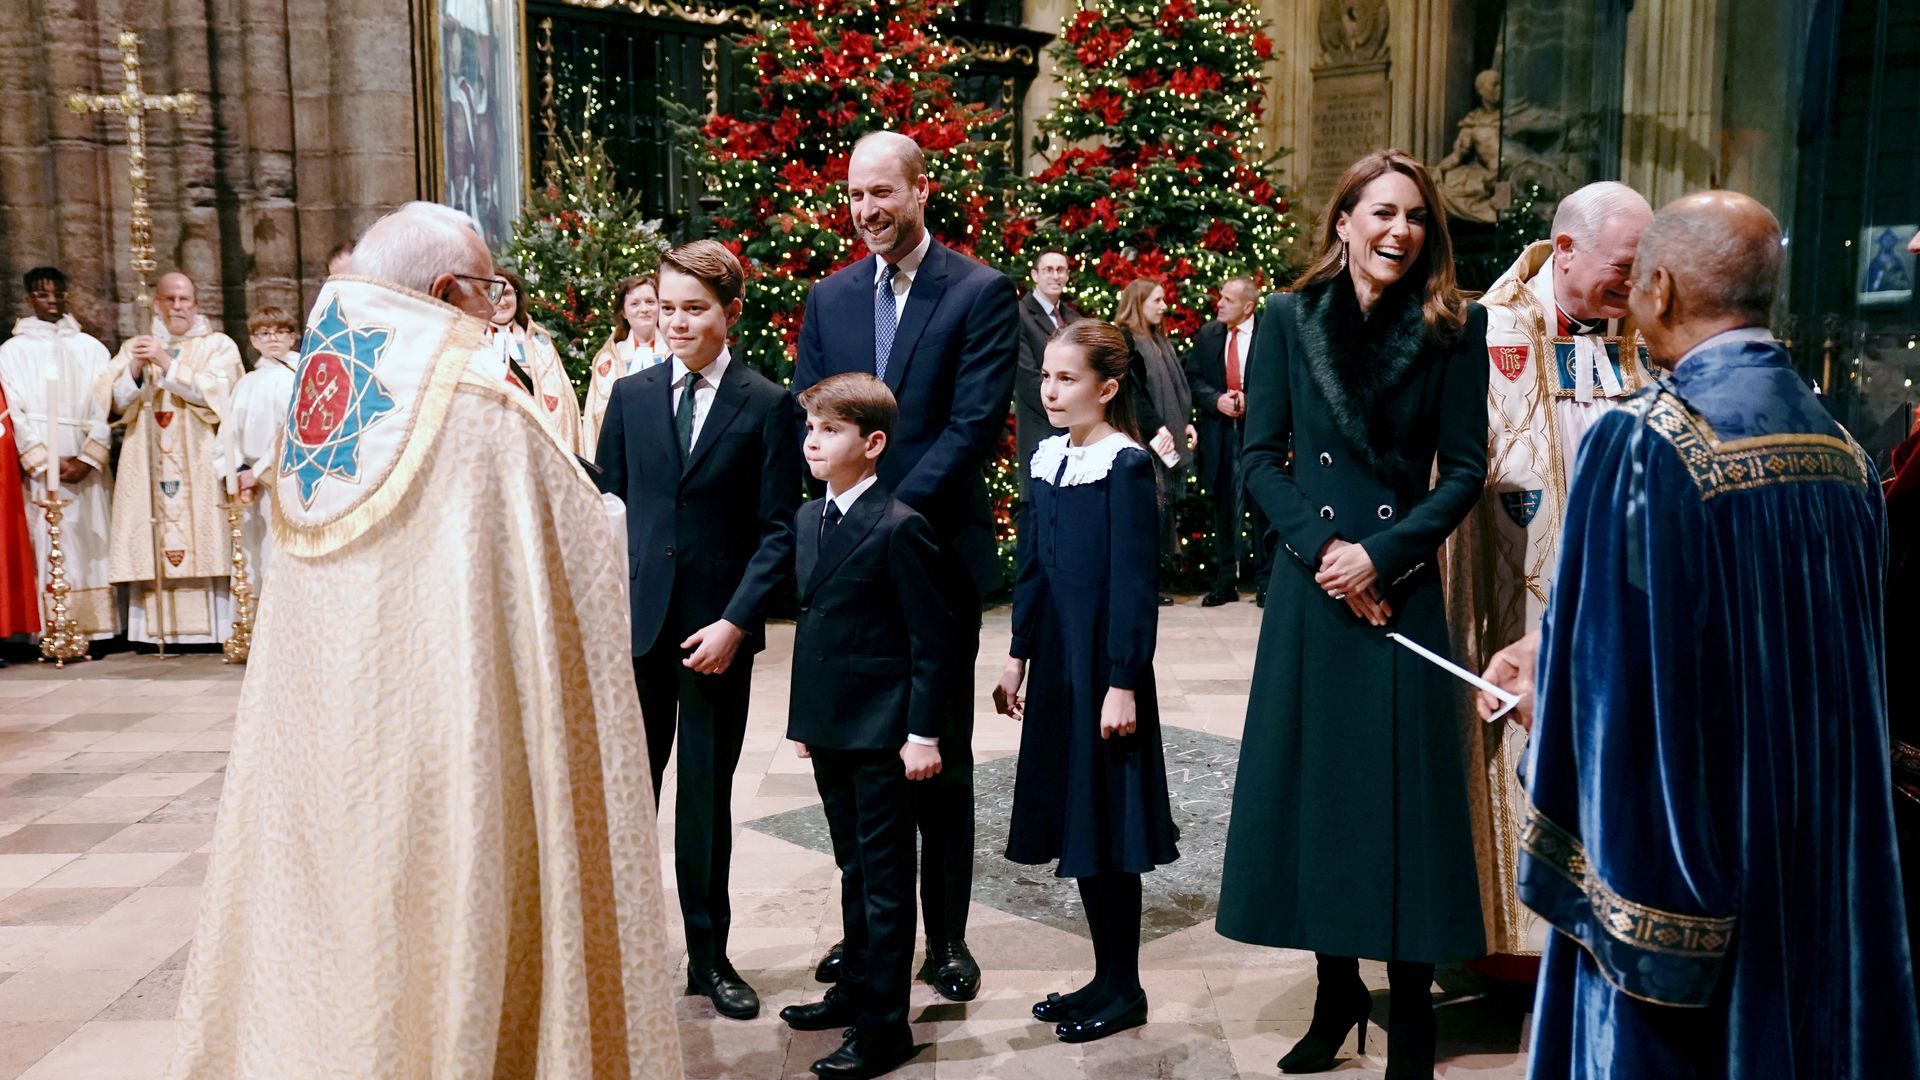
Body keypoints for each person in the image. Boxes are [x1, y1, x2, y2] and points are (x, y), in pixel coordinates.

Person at [167, 201, 681, 1078]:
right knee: (445, 910)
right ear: (447, 289)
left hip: (319, 740)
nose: (495, 310)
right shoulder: (476, 405)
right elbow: (574, 544)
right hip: (447, 739)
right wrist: (615, 519)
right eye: (488, 291)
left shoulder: (320, 394)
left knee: (336, 921)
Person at [1475, 192, 1920, 1080]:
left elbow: (1613, 691)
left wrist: (1539, 689)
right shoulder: (1845, 452)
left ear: (1665, 288)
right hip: (1819, 880)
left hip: (1690, 895)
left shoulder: (1642, 442)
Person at [1215, 149, 1489, 1080]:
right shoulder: (1288, 319)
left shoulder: (1457, 325)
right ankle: (1337, 996)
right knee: (1322, 797)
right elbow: (1260, 458)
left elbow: (1461, 470)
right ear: (1344, 222)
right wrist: (1330, 554)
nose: (1398, 232)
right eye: (1380, 213)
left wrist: (1384, 552)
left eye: (1414, 217)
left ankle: (1409, 1012)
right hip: (1314, 588)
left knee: (1404, 804)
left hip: (1401, 587)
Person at [794, 130, 1017, 1002]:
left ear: (921, 191)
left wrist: (887, 517)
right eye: (855, 195)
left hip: (929, 552)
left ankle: (948, 939)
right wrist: (842, 529)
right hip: (850, 562)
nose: (867, 211)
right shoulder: (830, 297)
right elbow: (813, 416)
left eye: (883, 193)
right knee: (855, 754)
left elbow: (971, 426)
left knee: (937, 754)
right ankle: (868, 934)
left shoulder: (979, 292)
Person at [1441, 180, 1653, 965]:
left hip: (1612, 597)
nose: (1634, 285)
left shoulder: (1635, 336)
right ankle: (1508, 948)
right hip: (1517, 601)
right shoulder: (1484, 331)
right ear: (1564, 250)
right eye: (1623, 266)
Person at [594, 238, 801, 1022]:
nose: (677, 322)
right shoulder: (633, 396)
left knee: (705, 803)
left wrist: (737, 622)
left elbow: (778, 529)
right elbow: (607, 511)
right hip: (638, 632)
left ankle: (708, 959)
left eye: (694, 309)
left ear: (730, 312)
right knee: (626, 797)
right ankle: (616, 949)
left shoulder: (767, 403)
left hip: (717, 634)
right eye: (668, 307)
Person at [993, 319, 1180, 1044]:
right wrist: (1017, 655)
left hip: (1105, 666)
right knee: (1079, 820)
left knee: (1108, 826)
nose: (1050, 389)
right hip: (1058, 666)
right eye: (1045, 375)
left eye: (1067, 378)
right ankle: (1102, 978)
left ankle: (1125, 986)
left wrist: (1125, 679)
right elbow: (1034, 566)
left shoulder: (1124, 464)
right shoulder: (1047, 458)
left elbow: (1135, 581)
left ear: (1106, 388)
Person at [780, 372, 952, 1079]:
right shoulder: (806, 518)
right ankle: (853, 992)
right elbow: (816, 628)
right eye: (810, 428)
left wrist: (923, 734)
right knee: (852, 867)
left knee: (884, 880)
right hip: (831, 726)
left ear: (873, 443)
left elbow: (930, 643)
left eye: (830, 430)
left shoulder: (899, 526)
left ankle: (886, 1028)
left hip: (883, 735)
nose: (813, 441)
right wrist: (803, 721)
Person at [103, 271, 242, 646]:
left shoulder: (218, 345)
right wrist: (134, 368)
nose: (177, 306)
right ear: (157, 303)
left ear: (196, 304)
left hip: (199, 457)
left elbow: (221, 397)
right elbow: (111, 403)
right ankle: (152, 634)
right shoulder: (137, 346)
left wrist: (167, 363)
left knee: (206, 533)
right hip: (146, 458)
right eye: (169, 299)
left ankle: (214, 631)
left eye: (184, 300)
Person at [0, 267, 116, 644]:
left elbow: (104, 405)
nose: (51, 301)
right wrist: (42, 460)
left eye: (57, 294)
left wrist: (87, 458)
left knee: (91, 541)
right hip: (40, 457)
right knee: (46, 541)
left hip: (82, 453)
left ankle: (94, 629)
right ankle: (49, 629)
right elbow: (12, 408)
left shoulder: (91, 348)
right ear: (29, 297)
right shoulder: (12, 352)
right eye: (42, 294)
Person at [1187, 276, 1269, 607]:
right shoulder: (1209, 335)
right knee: (1223, 507)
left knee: (1262, 508)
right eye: (1220, 297)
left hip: (1258, 436)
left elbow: (1283, 383)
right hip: (1219, 435)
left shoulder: (1269, 334)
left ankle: (1265, 582)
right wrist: (1216, 399)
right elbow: (1193, 379)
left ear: (1248, 307)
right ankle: (1225, 581)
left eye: (1228, 300)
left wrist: (1253, 400)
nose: (1219, 304)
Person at [1114, 278, 1194, 604]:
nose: (1163, 306)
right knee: (1150, 509)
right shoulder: (1128, 340)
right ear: (1139, 302)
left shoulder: (1159, 339)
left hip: (1166, 438)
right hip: (1146, 438)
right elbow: (1134, 395)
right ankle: (1146, 581)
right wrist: (1154, 428)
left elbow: (1176, 390)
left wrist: (1184, 424)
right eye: (1157, 300)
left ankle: (1157, 579)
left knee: (1164, 509)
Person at [219, 306, 300, 589]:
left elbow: (294, 432)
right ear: (253, 341)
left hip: (287, 480)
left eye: (280, 331)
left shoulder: (298, 378)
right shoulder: (246, 383)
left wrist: (260, 471)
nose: (272, 339)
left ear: (293, 337)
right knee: (254, 558)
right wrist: (238, 472)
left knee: (280, 555)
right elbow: (227, 436)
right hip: (249, 486)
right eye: (264, 333)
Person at [489, 267, 580, 454]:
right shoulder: (472, 342)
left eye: (507, 293)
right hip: (491, 436)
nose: (502, 301)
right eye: (493, 293)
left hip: (534, 439)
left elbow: (561, 399)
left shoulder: (540, 342)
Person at [1014, 249, 1079, 487]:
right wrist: (1070, 408)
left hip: (1075, 431)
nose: (1055, 276)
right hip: (1040, 427)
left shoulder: (1073, 318)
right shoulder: (1019, 314)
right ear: (1035, 275)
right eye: (1048, 270)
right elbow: (1027, 379)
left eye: (1060, 270)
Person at [581, 274, 668, 453]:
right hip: (625, 448)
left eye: (650, 302)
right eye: (635, 304)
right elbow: (596, 416)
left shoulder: (674, 351)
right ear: (623, 312)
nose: (644, 309)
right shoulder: (609, 358)